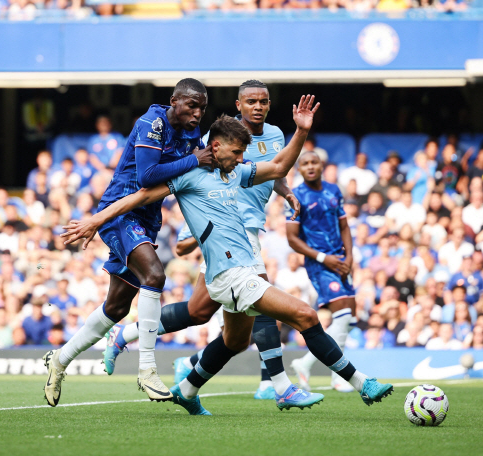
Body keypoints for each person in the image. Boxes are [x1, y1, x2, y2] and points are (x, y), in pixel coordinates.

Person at [63, 100, 393, 416]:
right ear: (216, 146)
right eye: (235, 153)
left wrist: (301, 132)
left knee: (235, 341)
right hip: (229, 275)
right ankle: (360, 383)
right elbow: (139, 197)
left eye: (242, 154)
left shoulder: (235, 172)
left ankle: (187, 390)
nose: (239, 159)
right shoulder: (187, 176)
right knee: (305, 315)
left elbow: (278, 167)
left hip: (243, 267)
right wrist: (95, 220)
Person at [100, 80, 317, 404]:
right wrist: (191, 234)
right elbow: (192, 184)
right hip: (224, 232)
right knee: (260, 296)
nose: (258, 106)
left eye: (264, 101)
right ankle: (278, 384)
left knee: (200, 312)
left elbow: (273, 170)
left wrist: (284, 191)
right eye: (251, 101)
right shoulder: (214, 139)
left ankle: (144, 344)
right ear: (238, 104)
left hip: (249, 227)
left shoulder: (274, 135)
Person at [41, 78, 215, 406]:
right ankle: (147, 369)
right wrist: (197, 160)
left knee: (117, 307)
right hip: (120, 211)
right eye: (191, 105)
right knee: (155, 276)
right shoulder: (152, 123)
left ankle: (60, 360)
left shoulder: (192, 132)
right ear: (174, 101)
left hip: (147, 218)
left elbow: (188, 176)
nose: (197, 114)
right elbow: (148, 176)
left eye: (202, 108)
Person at [286, 150, 356, 393]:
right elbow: (292, 239)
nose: (310, 166)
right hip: (319, 263)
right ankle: (338, 376)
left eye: (314, 162)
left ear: (322, 165)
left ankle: (304, 364)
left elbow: (344, 226)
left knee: (346, 320)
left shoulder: (334, 190)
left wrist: (349, 257)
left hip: (340, 260)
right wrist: (324, 258)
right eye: (304, 163)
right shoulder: (296, 195)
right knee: (343, 314)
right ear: (300, 169)